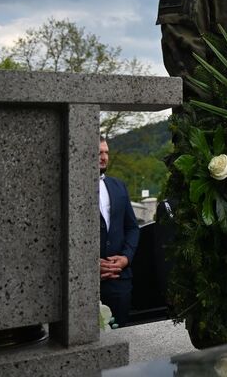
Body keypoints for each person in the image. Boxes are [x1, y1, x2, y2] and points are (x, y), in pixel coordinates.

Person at [99, 137, 140, 327]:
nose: (104, 157)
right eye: (99, 153)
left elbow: (132, 227)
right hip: (85, 283)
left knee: (121, 333)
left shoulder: (119, 186)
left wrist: (125, 258)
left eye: (106, 152)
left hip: (119, 280)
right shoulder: (72, 188)